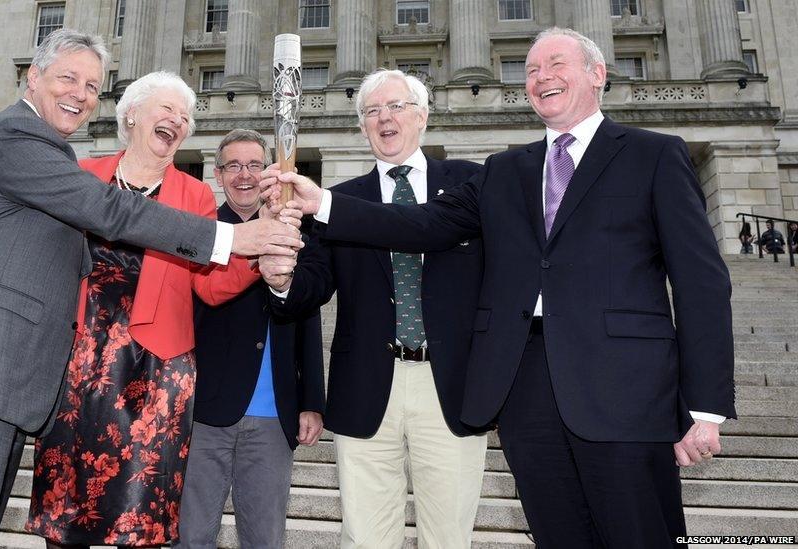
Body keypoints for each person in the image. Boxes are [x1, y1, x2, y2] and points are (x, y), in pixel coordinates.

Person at [263, 27, 735, 548]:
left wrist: (705, 407)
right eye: (531, 70)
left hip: (626, 390)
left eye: (556, 65)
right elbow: (423, 226)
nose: (541, 78)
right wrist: (322, 204)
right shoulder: (505, 170)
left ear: (597, 74)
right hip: (526, 391)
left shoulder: (655, 155)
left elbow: (700, 282)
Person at [0, 29, 302, 549]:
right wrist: (233, 235)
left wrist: (259, 256)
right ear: (33, 77)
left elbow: (207, 283)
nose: (81, 94)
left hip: (85, 375)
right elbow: (111, 210)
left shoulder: (171, 187)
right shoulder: (25, 141)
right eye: (69, 78)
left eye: (91, 85)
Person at [25, 73, 265, 547]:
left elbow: (211, 288)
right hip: (75, 362)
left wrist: (261, 257)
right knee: (66, 513)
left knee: (143, 521)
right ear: (131, 114)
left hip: (157, 370)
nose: (178, 120)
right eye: (168, 109)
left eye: (185, 116)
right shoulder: (82, 174)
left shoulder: (194, 195)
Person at [262, 70, 488, 548]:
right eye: (372, 111)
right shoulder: (340, 200)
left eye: (397, 107)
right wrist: (281, 279)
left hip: (451, 386)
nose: (384, 118)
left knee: (449, 538)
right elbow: (314, 285)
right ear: (362, 126)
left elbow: (427, 230)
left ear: (423, 116)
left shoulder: (471, 182)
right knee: (364, 538)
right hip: (366, 386)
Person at [176, 129, 326, 548]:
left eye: (255, 165)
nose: (244, 175)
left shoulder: (297, 229)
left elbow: (308, 316)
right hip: (204, 409)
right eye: (233, 166)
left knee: (264, 538)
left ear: (268, 174)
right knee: (191, 536)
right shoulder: (198, 231)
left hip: (273, 411)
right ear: (219, 174)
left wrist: (312, 399)